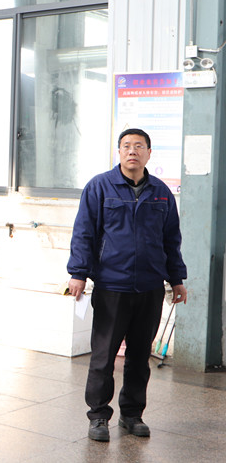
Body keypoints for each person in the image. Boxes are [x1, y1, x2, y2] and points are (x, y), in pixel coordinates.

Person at [67, 128, 188, 442]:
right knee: (103, 356)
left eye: (139, 146)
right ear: (119, 152)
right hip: (112, 286)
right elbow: (84, 233)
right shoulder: (99, 187)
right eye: (126, 146)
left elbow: (171, 240)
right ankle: (98, 416)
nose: (132, 151)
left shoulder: (161, 193)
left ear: (149, 153)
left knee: (139, 356)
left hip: (150, 287)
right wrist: (78, 273)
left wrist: (177, 279)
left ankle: (132, 415)